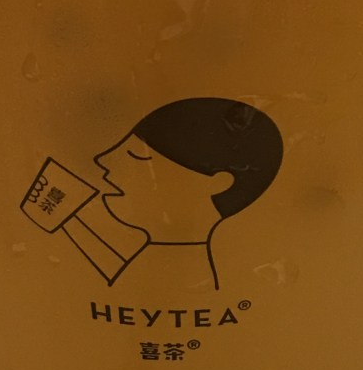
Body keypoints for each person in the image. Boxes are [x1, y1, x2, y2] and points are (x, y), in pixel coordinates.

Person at [23, 97, 284, 290]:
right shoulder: (170, 258)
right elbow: (116, 274)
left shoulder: (185, 268)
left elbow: (126, 283)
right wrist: (67, 215)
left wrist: (68, 216)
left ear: (216, 183)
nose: (104, 161)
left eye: (137, 157)